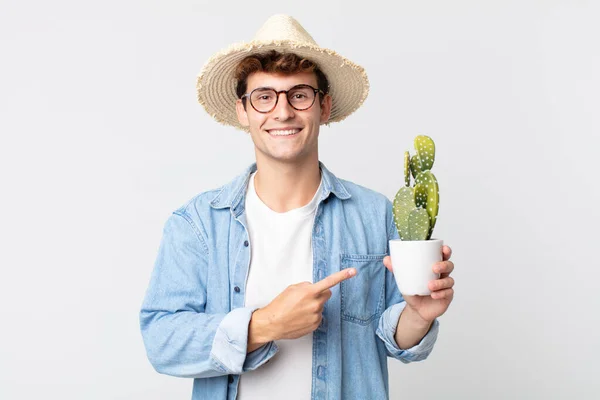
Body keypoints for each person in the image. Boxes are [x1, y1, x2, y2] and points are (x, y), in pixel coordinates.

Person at [139, 14, 455, 400]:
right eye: (264, 96)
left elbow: (395, 339)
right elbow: (161, 340)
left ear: (323, 106)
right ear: (244, 111)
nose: (283, 111)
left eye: (299, 95)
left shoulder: (375, 214)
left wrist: (419, 315)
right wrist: (266, 324)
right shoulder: (199, 223)